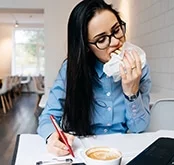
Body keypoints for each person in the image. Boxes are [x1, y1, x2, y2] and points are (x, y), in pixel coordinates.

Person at [37, 0, 151, 156]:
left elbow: (139, 127)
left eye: (117, 30)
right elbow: (48, 118)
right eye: (101, 39)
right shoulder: (70, 70)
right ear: (87, 47)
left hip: (123, 150)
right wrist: (52, 137)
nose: (116, 42)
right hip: (82, 150)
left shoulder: (139, 66)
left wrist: (131, 91)